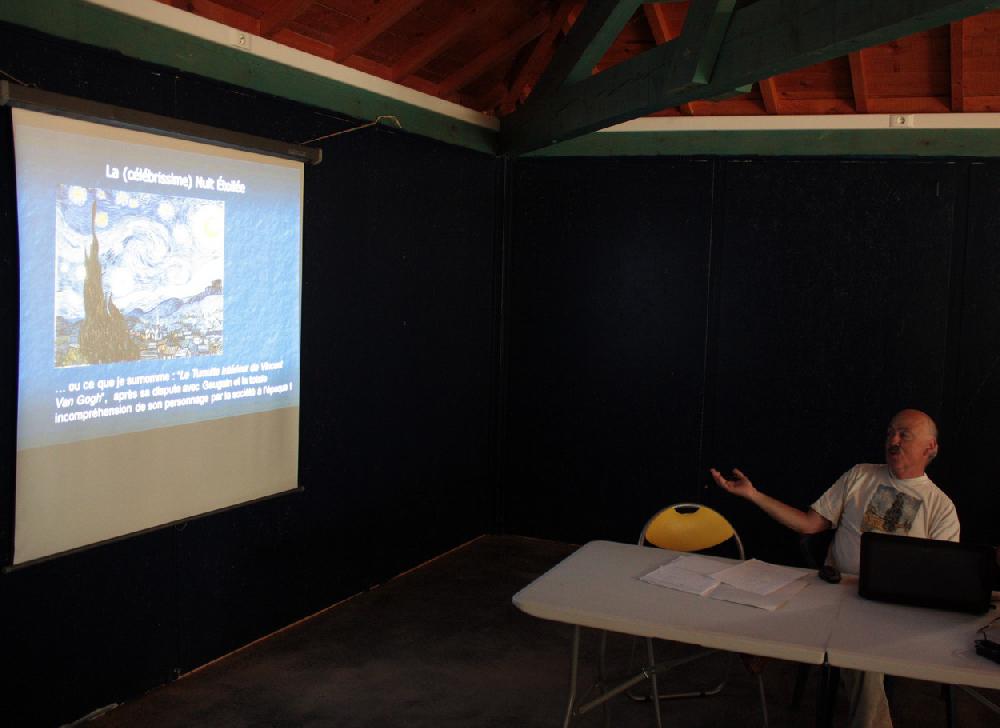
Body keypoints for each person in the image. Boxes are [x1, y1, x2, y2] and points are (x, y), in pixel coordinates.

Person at [710, 408, 960, 728]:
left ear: (930, 447)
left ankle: (776, 647)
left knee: (859, 649)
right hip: (833, 587)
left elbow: (940, 578)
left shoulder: (941, 508)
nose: (893, 440)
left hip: (889, 608)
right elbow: (809, 524)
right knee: (758, 592)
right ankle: (768, 642)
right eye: (890, 433)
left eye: (904, 435)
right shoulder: (861, 475)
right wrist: (753, 495)